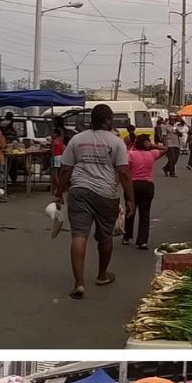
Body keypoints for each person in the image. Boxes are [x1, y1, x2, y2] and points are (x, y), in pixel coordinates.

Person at [55, 104, 133, 299]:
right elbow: (123, 171)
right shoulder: (116, 142)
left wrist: (58, 193)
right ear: (108, 120)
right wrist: (131, 198)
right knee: (105, 237)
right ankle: (101, 275)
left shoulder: (77, 139)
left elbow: (65, 169)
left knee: (79, 236)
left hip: (79, 191)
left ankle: (79, 283)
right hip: (106, 194)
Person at [123, 134, 166, 250]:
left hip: (132, 185)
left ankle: (127, 236)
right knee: (145, 213)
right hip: (147, 185)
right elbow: (166, 149)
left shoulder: (130, 154)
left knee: (130, 209)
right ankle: (142, 241)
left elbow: (125, 168)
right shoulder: (152, 154)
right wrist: (153, 145)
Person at [51, 123, 67, 194]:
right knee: (60, 174)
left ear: (56, 134)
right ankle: (60, 187)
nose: (52, 135)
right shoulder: (61, 141)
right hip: (61, 157)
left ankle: (58, 188)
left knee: (55, 174)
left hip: (56, 157)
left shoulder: (54, 142)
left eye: (53, 133)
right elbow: (64, 149)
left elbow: (52, 152)